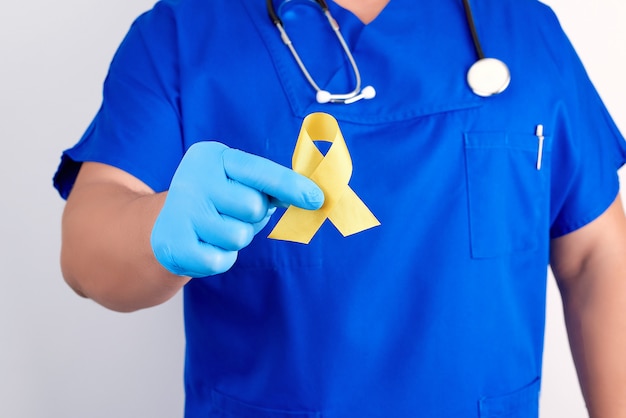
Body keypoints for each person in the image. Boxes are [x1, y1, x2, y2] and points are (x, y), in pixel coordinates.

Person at [53, 0, 626, 416]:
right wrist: (158, 227)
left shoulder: (522, 26)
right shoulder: (182, 34)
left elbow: (594, 254)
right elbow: (86, 249)